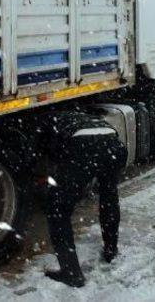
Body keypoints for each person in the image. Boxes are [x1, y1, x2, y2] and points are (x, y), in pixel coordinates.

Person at [40, 111, 127, 287]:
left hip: (84, 146)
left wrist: (58, 184)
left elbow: (55, 157)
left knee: (57, 209)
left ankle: (71, 273)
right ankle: (111, 250)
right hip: (114, 144)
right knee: (109, 195)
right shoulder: (83, 117)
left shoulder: (47, 126)